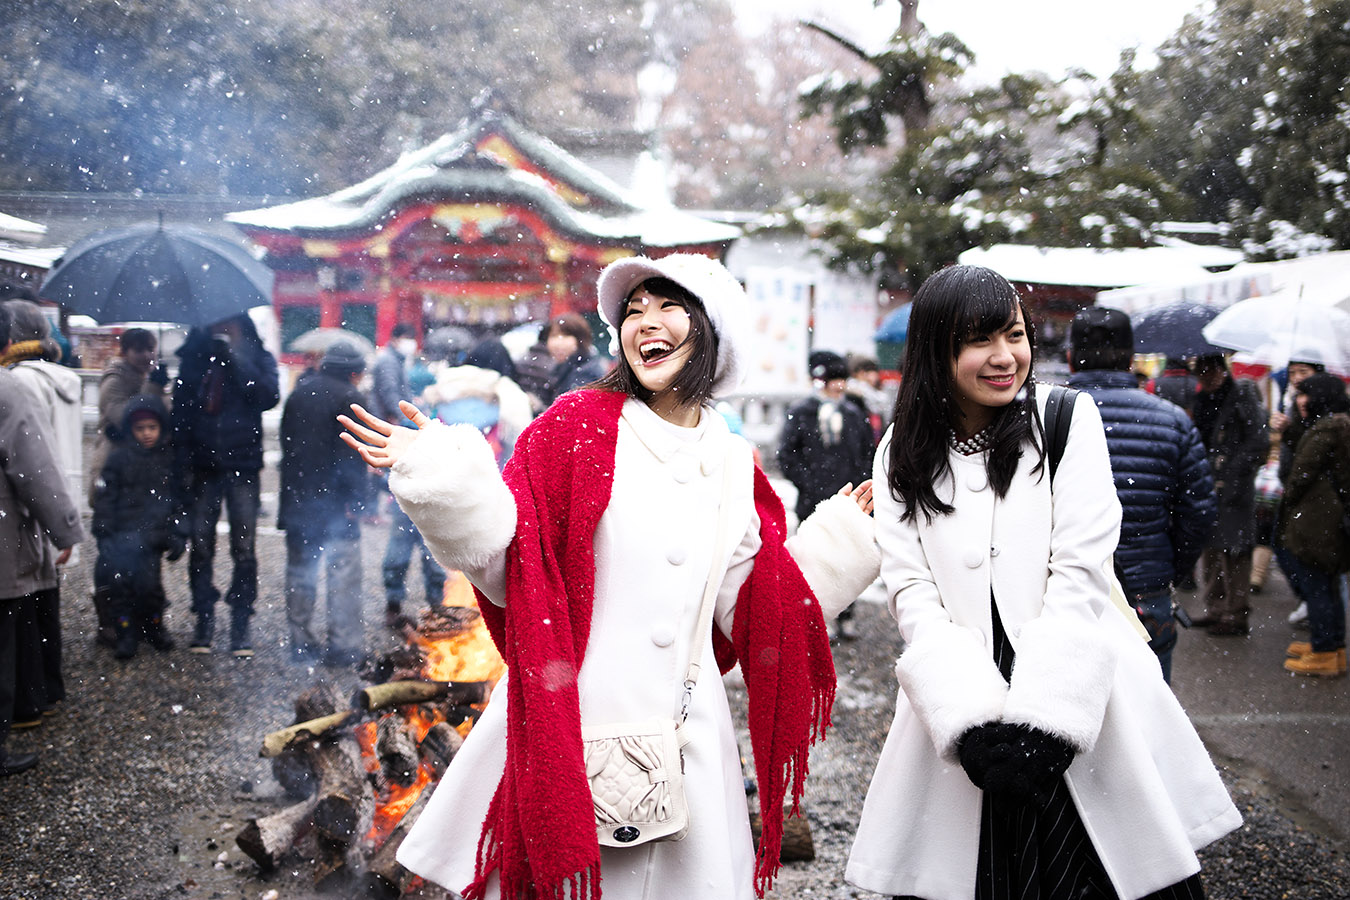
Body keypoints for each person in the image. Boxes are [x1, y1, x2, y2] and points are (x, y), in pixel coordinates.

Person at [339, 253, 880, 900]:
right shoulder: (573, 428)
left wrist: (841, 543)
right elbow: (512, 563)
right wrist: (444, 478)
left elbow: (754, 611)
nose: (644, 322)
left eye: (666, 306)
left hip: (689, 741)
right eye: (632, 312)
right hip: (577, 717)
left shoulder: (734, 461)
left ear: (712, 330)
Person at [846, 265, 1240, 900]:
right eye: (980, 341)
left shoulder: (1063, 418)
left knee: (1105, 870)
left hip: (1077, 691)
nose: (1006, 357)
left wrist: (1047, 719)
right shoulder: (899, 450)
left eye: (1015, 335)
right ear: (936, 350)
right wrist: (968, 722)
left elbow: (1081, 568)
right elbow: (911, 592)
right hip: (964, 701)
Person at [1066, 307, 1217, 682]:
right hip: (1145, 592)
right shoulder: (1172, 420)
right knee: (1152, 718)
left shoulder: (1038, 416)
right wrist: (1168, 570)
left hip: (1061, 593)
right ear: (1132, 359)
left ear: (1070, 357)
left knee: (1064, 718)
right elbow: (1198, 513)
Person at [0, 303, 83, 776]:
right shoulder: (10, 389)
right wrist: (64, 528)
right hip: (7, 537)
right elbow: (35, 468)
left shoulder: (17, 382)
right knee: (9, 641)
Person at [172, 314, 280, 657]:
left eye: (230, 325)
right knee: (201, 546)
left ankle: (240, 621)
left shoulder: (257, 357)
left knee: (244, 548)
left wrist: (235, 359)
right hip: (203, 465)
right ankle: (203, 616)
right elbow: (182, 410)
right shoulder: (196, 356)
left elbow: (267, 396)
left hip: (242, 464)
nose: (223, 330)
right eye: (217, 324)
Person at [278, 341, 372, 667]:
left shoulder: (299, 393)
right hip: (335, 506)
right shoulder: (351, 398)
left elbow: (286, 447)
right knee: (342, 574)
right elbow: (353, 457)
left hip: (298, 501)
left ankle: (300, 642)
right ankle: (343, 646)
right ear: (354, 372)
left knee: (301, 573)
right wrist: (358, 501)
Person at [779, 349, 877, 640]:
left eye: (841, 379)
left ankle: (845, 616)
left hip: (849, 500)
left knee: (849, 556)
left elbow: (866, 454)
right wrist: (808, 483)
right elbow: (788, 455)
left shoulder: (853, 412)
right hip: (812, 500)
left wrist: (859, 482)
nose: (838, 386)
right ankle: (813, 618)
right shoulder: (803, 411)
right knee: (812, 559)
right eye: (832, 379)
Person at [89, 326, 168, 646]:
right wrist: (152, 387)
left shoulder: (147, 374)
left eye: (150, 348)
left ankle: (142, 620)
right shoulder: (115, 377)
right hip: (114, 468)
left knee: (146, 557)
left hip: (142, 474)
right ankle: (111, 622)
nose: (147, 356)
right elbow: (123, 417)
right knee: (111, 558)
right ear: (126, 351)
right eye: (140, 350)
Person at [92, 394, 185, 659]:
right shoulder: (118, 459)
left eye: (152, 428)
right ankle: (126, 634)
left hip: (152, 540)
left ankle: (154, 627)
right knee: (120, 591)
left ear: (161, 428)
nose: (146, 434)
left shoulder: (167, 460)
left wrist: (177, 532)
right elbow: (106, 499)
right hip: (123, 538)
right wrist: (104, 533)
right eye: (140, 428)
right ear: (130, 430)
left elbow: (178, 500)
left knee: (151, 590)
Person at [371, 323, 447, 626]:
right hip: (412, 469)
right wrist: (413, 421)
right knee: (420, 547)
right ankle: (416, 602)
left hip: (416, 475)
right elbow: (393, 400)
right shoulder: (390, 363)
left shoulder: (394, 362)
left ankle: (424, 603)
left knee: (417, 546)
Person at [1275, 372, 1350, 677]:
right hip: (1330, 521)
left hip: (1318, 523)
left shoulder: (1326, 430)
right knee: (1328, 585)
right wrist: (1294, 432)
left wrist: (1288, 500)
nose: (1299, 401)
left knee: (1316, 585)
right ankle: (1333, 649)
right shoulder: (1337, 426)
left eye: (1304, 394)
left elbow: (1300, 474)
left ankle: (1323, 652)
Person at [1189, 353, 1268, 636]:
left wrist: (1233, 470)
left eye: (1211, 372)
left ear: (1223, 371)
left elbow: (1258, 440)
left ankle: (1236, 613)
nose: (1206, 379)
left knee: (1234, 549)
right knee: (1210, 547)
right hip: (1208, 483)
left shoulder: (1241, 394)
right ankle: (1217, 608)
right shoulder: (1202, 399)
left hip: (1234, 487)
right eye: (1201, 373)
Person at [539, 311, 608, 406]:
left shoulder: (586, 373)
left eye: (565, 335)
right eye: (553, 335)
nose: (558, 342)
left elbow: (569, 413)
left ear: (580, 339)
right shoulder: (562, 368)